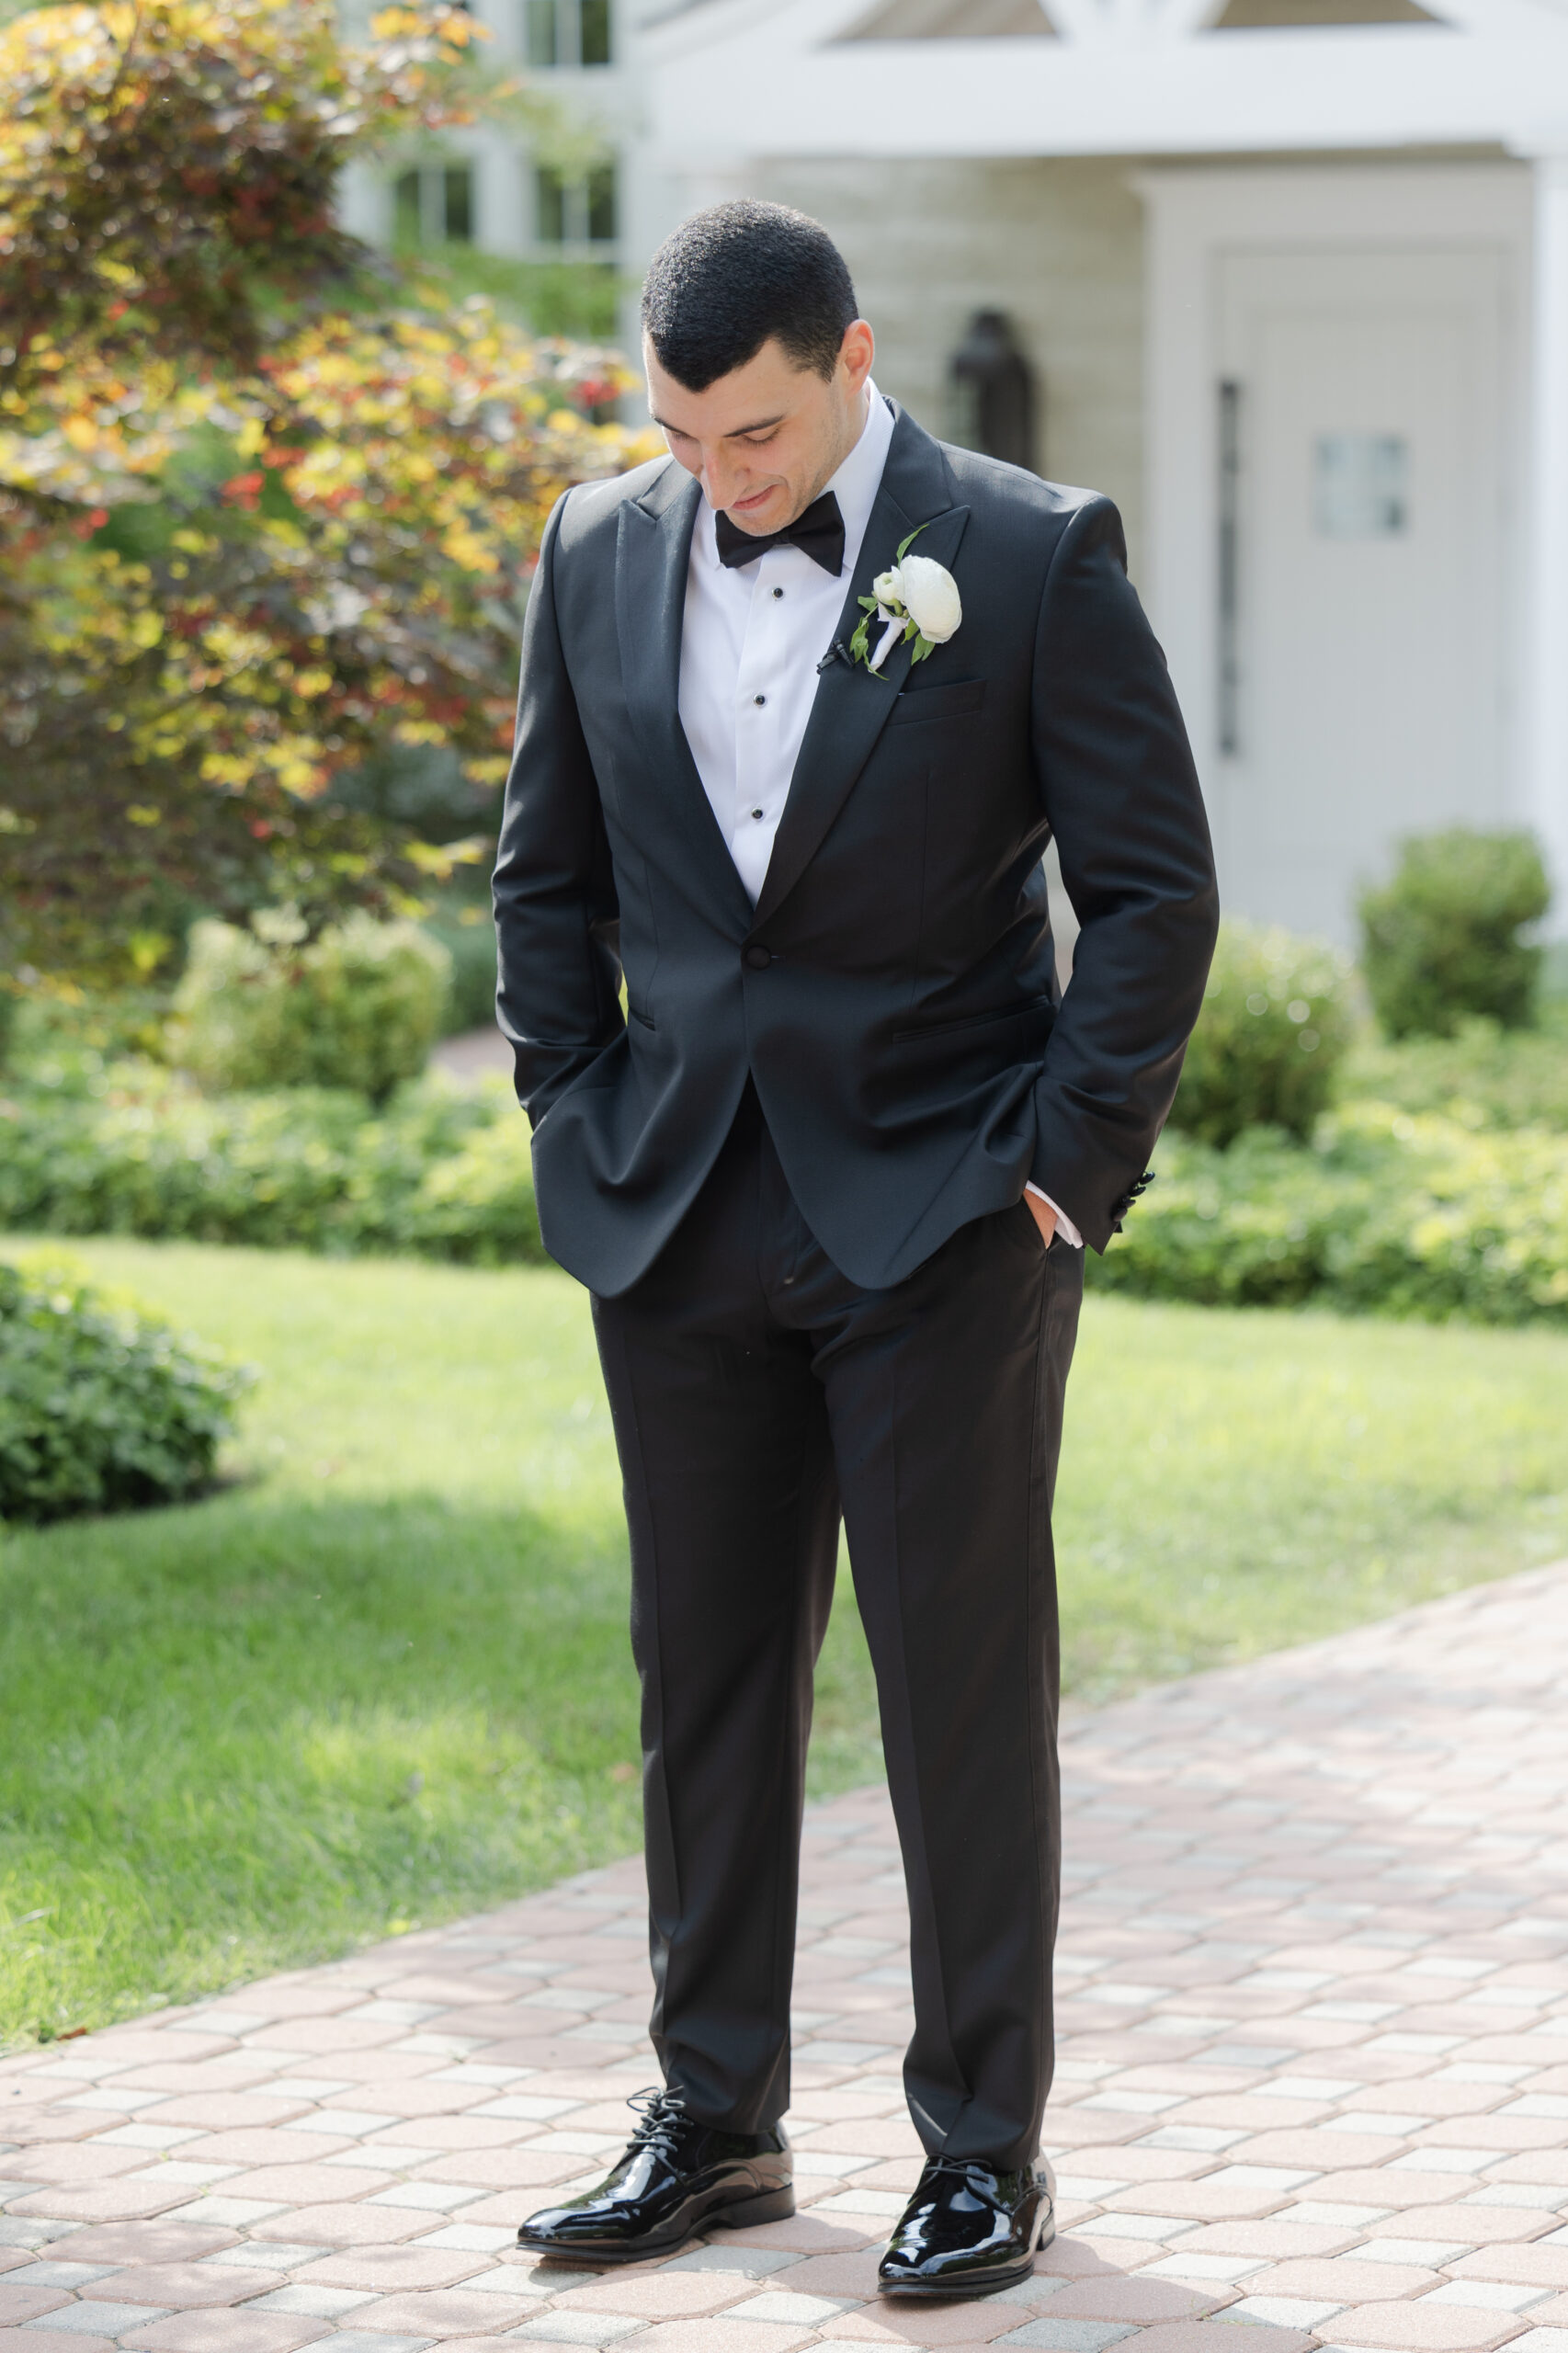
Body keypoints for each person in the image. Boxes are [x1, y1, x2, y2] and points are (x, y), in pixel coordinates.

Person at [494, 199, 1218, 2302]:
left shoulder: (1023, 549)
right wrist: (569, 1109)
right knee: (702, 1685)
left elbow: (1151, 890)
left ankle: (982, 2144)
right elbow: (546, 868)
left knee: (955, 1697)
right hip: (676, 1207)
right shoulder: (595, 541)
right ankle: (712, 2119)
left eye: (756, 431)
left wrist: (1062, 1160)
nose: (721, 474)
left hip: (940, 1212)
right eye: (684, 433)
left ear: (852, 357)